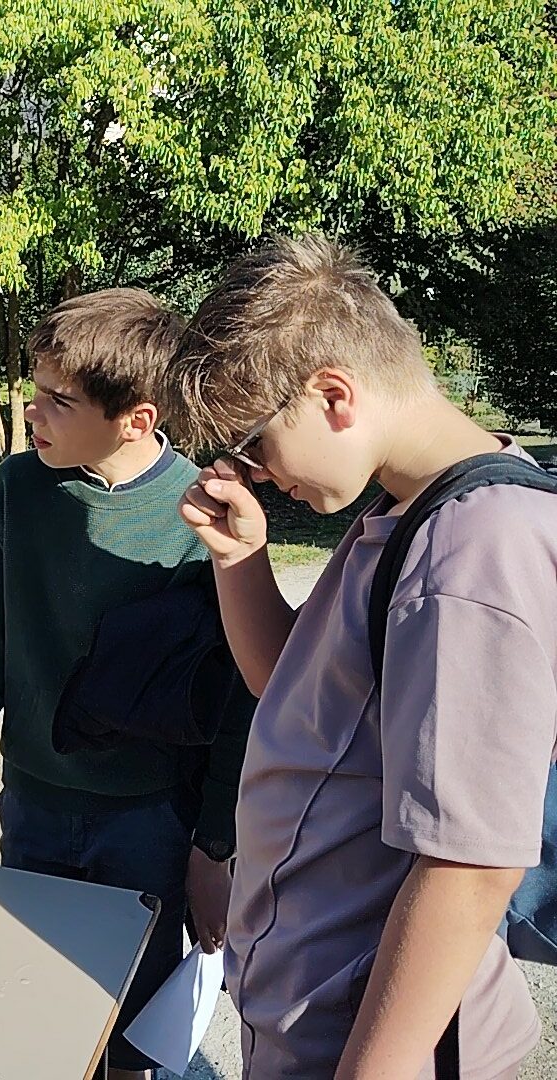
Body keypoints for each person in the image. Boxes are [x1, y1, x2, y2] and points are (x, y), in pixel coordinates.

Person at [170, 234, 556, 1078]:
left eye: (253, 443)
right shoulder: (409, 509)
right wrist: (240, 560)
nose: (253, 473)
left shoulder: (472, 554)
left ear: (333, 395)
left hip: (365, 1048)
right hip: (320, 1023)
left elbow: (470, 865)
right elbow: (299, 696)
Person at [0, 289, 253, 1079]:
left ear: (137, 418)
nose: (33, 413)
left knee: (132, 1035)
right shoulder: (16, 490)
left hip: (150, 823)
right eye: (34, 391)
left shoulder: (200, 517)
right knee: (41, 1016)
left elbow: (236, 702)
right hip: (32, 810)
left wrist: (213, 848)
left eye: (59, 401)